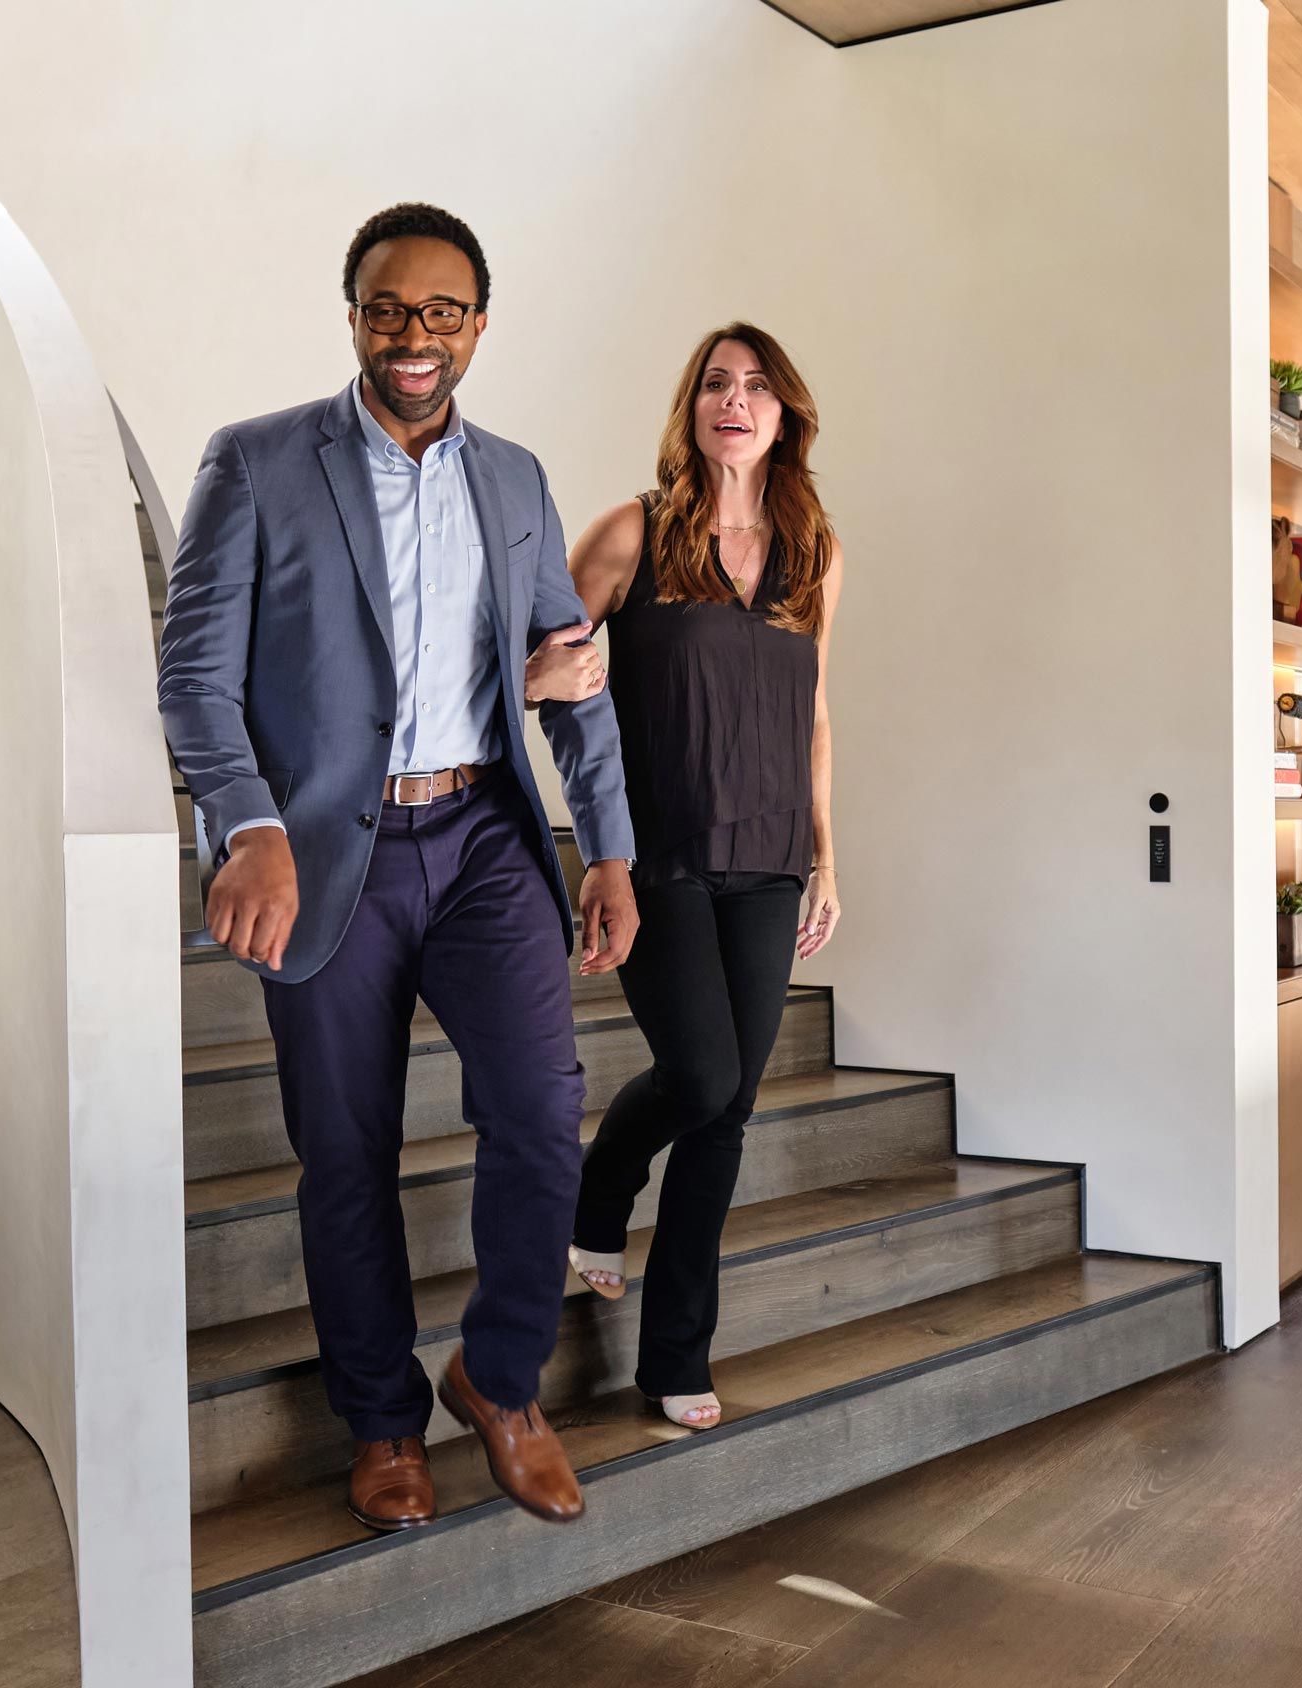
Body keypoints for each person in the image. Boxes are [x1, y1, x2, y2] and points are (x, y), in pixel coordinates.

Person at [157, 203, 640, 1533]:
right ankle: (381, 1420)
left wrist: (608, 844)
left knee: (543, 1115)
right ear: (353, 312)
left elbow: (574, 677)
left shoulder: (517, 479)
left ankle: (499, 1381)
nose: (414, 336)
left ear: (479, 323)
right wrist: (248, 828)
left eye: (443, 313)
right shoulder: (254, 465)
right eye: (387, 308)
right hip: (327, 854)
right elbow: (193, 679)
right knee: (346, 1149)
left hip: (485, 837)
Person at [526, 322, 844, 1433]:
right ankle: (600, 1190)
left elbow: (810, 707)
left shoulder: (815, 549)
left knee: (728, 1112)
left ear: (784, 414)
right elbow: (538, 663)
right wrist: (540, 675)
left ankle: (674, 1358)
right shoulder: (636, 532)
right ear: (692, 405)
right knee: (703, 1078)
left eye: (757, 386)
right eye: (717, 382)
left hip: (768, 860)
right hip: (654, 854)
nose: (735, 400)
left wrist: (826, 856)